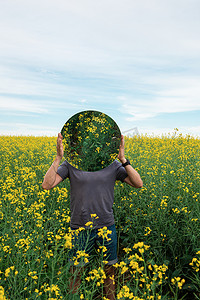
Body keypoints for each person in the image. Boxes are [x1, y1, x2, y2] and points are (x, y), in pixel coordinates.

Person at [42, 133, 143, 299]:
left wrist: (123, 159)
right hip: (79, 227)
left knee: (109, 271)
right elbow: (47, 185)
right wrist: (58, 158)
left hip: (106, 226)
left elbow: (138, 183)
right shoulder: (71, 164)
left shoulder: (113, 165)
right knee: (76, 272)